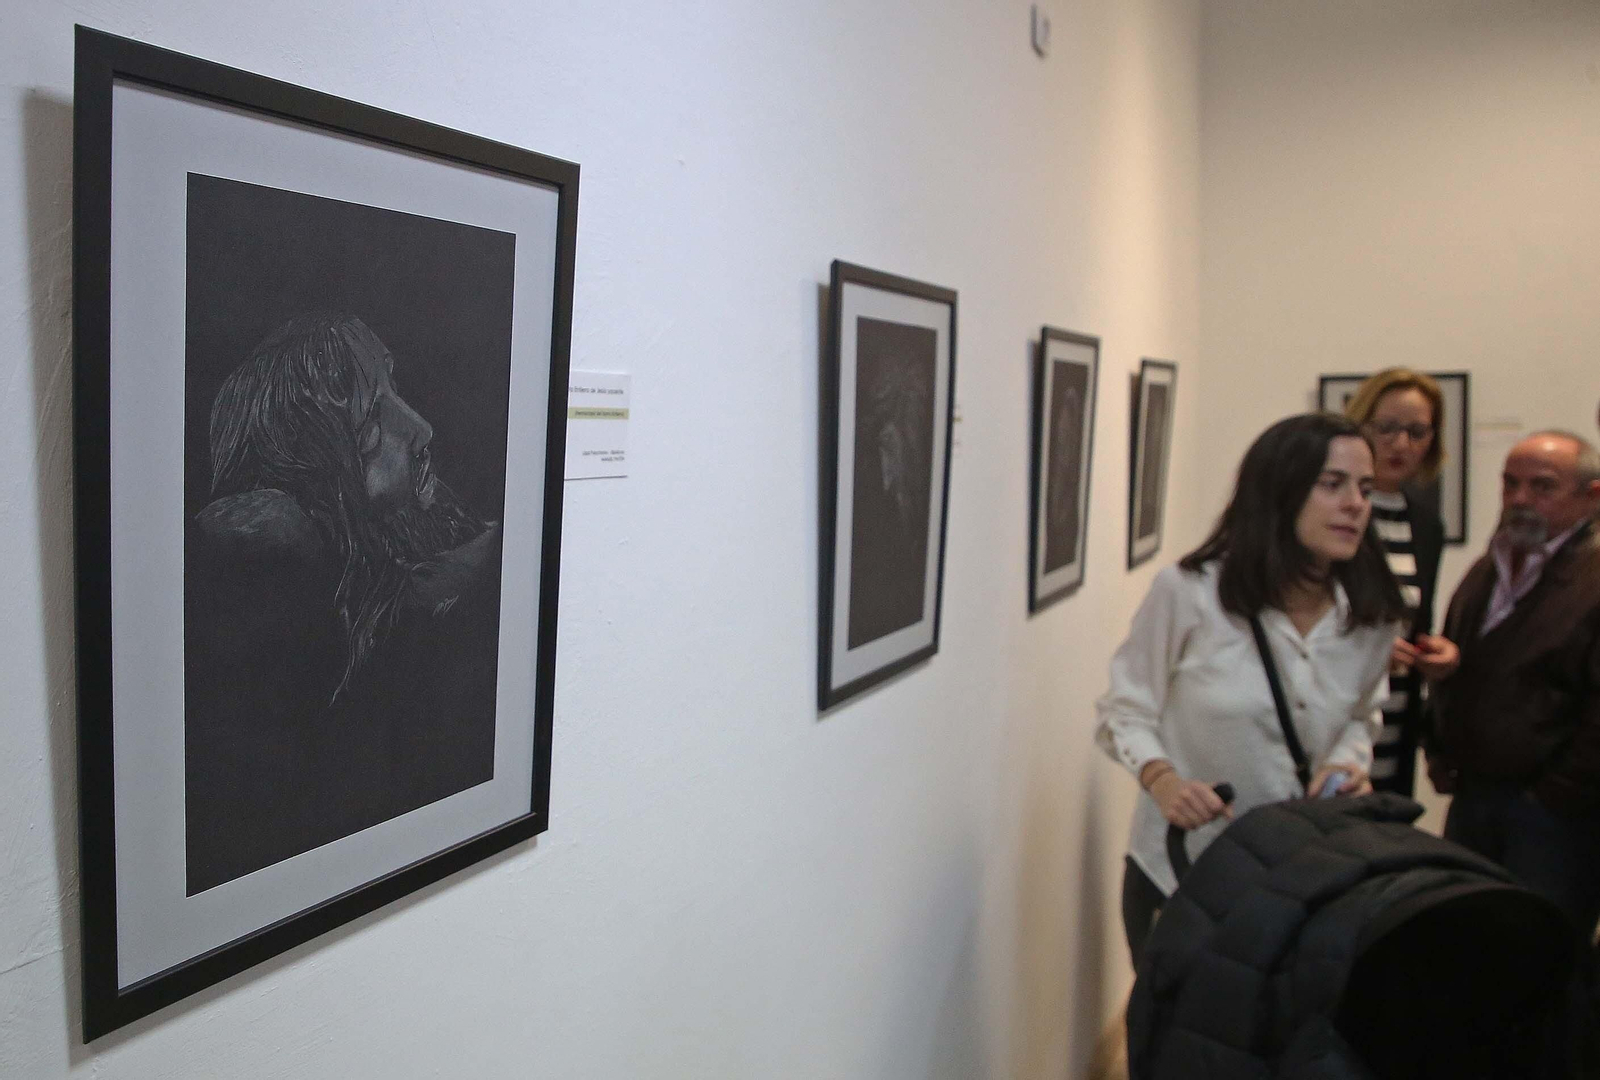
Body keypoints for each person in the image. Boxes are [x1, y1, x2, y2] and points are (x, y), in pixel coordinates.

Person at [184, 312, 506, 892]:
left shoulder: (401, 532)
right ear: (315, 451)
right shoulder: (276, 548)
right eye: (371, 414)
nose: (421, 428)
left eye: (393, 388)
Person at [1096, 413, 1406, 966]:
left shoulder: (1373, 613)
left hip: (1307, 879)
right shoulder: (1190, 593)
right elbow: (1125, 708)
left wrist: (1344, 764)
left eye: (1364, 488)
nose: (1357, 505)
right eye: (1332, 485)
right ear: (1279, 492)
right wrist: (1163, 780)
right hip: (1185, 872)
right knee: (1180, 1046)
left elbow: (1365, 714)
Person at [1429, 430, 1600, 938]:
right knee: (1470, 943)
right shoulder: (1491, 566)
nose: (1520, 499)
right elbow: (1466, 665)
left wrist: (1556, 794)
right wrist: (1440, 747)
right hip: (1474, 797)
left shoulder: (1592, 578)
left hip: (1554, 817)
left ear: (1592, 497)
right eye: (1510, 484)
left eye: (1542, 487)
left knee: (1543, 956)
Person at [1341, 369, 1459, 796]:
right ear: (1360, 425)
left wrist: (1435, 652)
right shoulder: (1332, 510)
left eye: (1417, 431)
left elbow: (1411, 619)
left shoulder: (1426, 524)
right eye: (1387, 427)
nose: (1401, 444)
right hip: (1333, 713)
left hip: (1395, 715)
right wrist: (1365, 643)